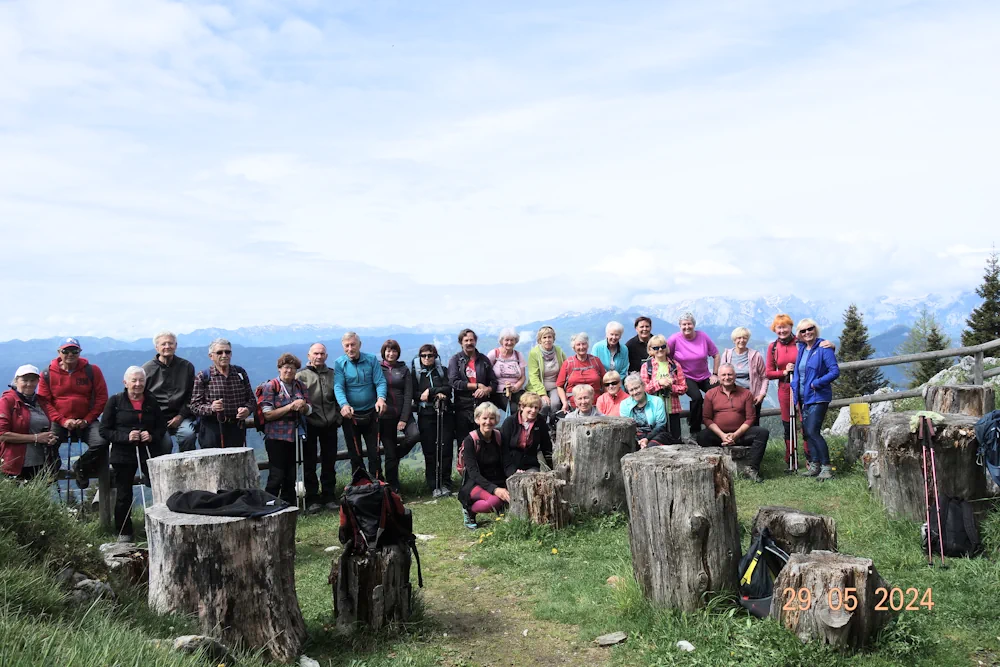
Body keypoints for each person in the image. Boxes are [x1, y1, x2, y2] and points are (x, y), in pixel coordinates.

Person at [99, 366, 166, 541]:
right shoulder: (115, 401)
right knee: (123, 494)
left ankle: (162, 526)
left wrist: (151, 436)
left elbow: (161, 427)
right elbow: (104, 430)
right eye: (134, 380)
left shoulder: (151, 401)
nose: (137, 384)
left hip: (148, 451)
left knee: (159, 488)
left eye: (141, 380)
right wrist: (126, 437)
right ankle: (124, 532)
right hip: (123, 453)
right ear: (125, 382)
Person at [37, 338, 109, 488]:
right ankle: (53, 470)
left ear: (80, 352)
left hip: (87, 420)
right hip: (59, 421)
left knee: (101, 442)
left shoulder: (92, 370)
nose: (70, 354)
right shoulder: (47, 373)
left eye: (74, 351)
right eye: (66, 351)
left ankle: (81, 466)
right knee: (48, 442)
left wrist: (87, 419)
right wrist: (62, 420)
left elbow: (102, 398)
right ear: (59, 352)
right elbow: (44, 402)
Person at [765, 315, 834, 466]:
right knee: (788, 424)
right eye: (778, 328)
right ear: (774, 329)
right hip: (785, 388)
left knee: (806, 424)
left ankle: (811, 458)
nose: (782, 330)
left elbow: (816, 347)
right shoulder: (773, 347)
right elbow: (768, 373)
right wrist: (783, 372)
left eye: (785, 327)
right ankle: (791, 459)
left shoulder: (800, 341)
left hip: (804, 388)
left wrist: (831, 346)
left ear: (791, 327)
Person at [695, 364, 769, 483]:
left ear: (735, 376)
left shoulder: (746, 393)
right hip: (719, 436)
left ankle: (752, 469)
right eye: (723, 375)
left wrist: (735, 435)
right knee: (702, 436)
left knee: (762, 433)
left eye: (730, 374)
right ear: (719, 377)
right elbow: (707, 419)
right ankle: (714, 468)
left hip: (741, 435)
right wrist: (722, 435)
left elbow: (750, 418)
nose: (727, 377)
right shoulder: (710, 394)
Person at [259, 354, 312, 505]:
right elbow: (268, 414)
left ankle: (288, 505)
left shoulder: (300, 386)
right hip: (275, 436)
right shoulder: (271, 386)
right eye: (286, 367)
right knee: (277, 474)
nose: (289, 371)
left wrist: (303, 406)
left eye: (293, 368)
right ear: (279, 369)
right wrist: (290, 407)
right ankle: (269, 504)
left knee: (291, 473)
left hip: (295, 435)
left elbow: (310, 410)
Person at [334, 332, 388, 478]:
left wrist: (381, 398)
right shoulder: (340, 363)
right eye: (347, 345)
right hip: (351, 415)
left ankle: (377, 483)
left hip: (372, 413)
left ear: (359, 345)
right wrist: (343, 404)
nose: (350, 348)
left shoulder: (371, 359)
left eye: (353, 344)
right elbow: (338, 386)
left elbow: (380, 381)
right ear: (343, 347)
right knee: (355, 454)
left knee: (374, 452)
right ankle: (360, 485)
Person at [792, 319, 840, 481]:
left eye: (810, 329)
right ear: (799, 334)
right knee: (808, 432)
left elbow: (834, 371)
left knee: (813, 431)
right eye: (803, 331)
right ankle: (815, 465)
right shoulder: (802, 349)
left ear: (815, 329)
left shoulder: (824, 348)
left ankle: (826, 467)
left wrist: (816, 383)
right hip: (804, 397)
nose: (807, 333)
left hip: (818, 396)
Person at [297, 343, 342, 512]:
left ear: (326, 356)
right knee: (309, 462)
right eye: (315, 353)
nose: (319, 356)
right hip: (310, 424)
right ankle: (312, 498)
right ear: (309, 355)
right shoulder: (301, 376)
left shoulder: (332, 374)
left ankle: (329, 495)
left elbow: (339, 396)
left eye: (322, 353)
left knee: (329, 461)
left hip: (330, 423)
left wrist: (337, 418)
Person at [188, 338, 256, 449]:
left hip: (236, 428)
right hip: (211, 428)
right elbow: (194, 406)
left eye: (227, 352)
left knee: (236, 458)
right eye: (219, 352)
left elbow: (251, 400)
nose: (224, 355)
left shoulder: (240, 373)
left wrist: (247, 410)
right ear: (211, 356)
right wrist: (211, 408)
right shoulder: (203, 376)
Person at [457, 402, 510, 530]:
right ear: (477, 420)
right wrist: (495, 490)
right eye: (484, 418)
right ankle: (469, 510)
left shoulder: (499, 437)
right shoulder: (470, 440)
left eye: (492, 418)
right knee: (495, 501)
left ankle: (501, 508)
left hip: (497, 479)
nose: (488, 422)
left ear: (496, 420)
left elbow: (507, 463)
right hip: (475, 483)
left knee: (511, 497)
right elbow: (473, 473)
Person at [142, 331, 197, 453]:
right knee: (164, 444)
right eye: (163, 344)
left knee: (188, 435)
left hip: (182, 415)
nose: (167, 346)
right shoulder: (146, 370)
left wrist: (181, 416)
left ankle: (187, 463)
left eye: (170, 343)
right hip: (157, 418)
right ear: (156, 347)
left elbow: (192, 395)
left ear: (176, 346)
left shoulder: (186, 367)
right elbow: (143, 399)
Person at [1, 365, 58, 481]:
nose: (29, 384)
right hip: (15, 464)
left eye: (33, 380)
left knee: (38, 493)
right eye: (24, 380)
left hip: (41, 463)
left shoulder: (41, 401)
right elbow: (2, 434)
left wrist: (49, 437)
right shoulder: (7, 401)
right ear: (16, 381)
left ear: (38, 381)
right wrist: (36, 438)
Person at [412, 344, 455, 496]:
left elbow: (449, 389)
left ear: (435, 356)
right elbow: (414, 394)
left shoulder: (442, 370)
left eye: (430, 355)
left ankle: (446, 482)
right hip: (426, 415)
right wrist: (436, 393)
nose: (426, 358)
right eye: (423, 355)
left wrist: (430, 391)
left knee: (446, 449)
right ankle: (433, 485)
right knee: (429, 451)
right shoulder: (416, 374)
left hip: (445, 413)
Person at [666, 313, 719, 435]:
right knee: (697, 398)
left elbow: (716, 354)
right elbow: (666, 357)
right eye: (684, 324)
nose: (687, 327)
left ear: (694, 325)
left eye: (689, 324)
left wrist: (715, 374)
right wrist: (673, 374)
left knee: (718, 393)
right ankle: (695, 430)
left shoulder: (703, 336)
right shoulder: (674, 339)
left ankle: (718, 425)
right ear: (680, 326)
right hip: (686, 376)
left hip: (704, 375)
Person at [447, 329, 497, 445]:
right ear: (461, 342)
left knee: (483, 441)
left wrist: (486, 390)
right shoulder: (456, 360)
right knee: (464, 442)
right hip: (462, 407)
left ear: (475, 341)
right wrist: (477, 386)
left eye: (471, 340)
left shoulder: (483, 360)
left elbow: (494, 382)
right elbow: (454, 382)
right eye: (466, 340)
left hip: (482, 407)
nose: (469, 343)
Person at [379, 339, 414, 493]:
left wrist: (404, 419)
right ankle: (393, 487)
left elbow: (408, 395)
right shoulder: (378, 368)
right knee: (389, 452)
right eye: (388, 350)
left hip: (402, 413)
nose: (391, 353)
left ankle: (396, 455)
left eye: (394, 351)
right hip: (385, 416)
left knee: (415, 435)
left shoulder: (404, 369)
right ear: (384, 352)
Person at [639, 334, 686, 439]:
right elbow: (644, 389)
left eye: (663, 346)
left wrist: (670, 387)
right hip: (654, 411)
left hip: (672, 409)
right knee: (657, 439)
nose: (660, 349)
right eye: (656, 348)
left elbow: (683, 388)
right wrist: (659, 383)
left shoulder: (675, 365)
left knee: (675, 438)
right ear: (650, 350)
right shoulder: (646, 367)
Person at [721, 327, 768, 426]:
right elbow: (721, 375)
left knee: (753, 426)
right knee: (734, 424)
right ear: (734, 340)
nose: (741, 340)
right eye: (739, 338)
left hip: (752, 397)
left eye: (744, 338)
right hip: (732, 397)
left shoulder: (756, 356)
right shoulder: (727, 355)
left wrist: (761, 394)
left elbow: (764, 377)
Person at [498, 392, 553, 475]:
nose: (533, 411)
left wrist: (551, 467)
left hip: (530, 464)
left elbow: (546, 446)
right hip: (511, 464)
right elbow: (503, 449)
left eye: (536, 408)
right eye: (530, 407)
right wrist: (511, 470)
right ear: (522, 407)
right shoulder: (510, 422)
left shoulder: (540, 422)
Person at [525, 325, 566, 426]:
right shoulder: (534, 353)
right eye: (544, 337)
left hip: (555, 385)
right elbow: (533, 376)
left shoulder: (559, 351)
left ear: (553, 338)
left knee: (555, 404)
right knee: (543, 405)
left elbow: (565, 367)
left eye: (549, 337)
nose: (547, 340)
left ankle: (553, 425)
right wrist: (542, 394)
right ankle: (539, 426)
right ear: (540, 340)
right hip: (537, 387)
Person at [556, 333, 606, 412]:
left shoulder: (596, 361)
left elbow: (605, 381)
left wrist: (605, 399)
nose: (581, 347)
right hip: (574, 405)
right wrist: (564, 402)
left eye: (584, 344)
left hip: (596, 404)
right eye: (578, 345)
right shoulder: (568, 363)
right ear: (574, 347)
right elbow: (559, 386)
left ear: (587, 345)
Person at [620, 373, 671, 448]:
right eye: (631, 390)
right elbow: (626, 428)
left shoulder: (657, 401)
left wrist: (647, 439)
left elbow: (660, 425)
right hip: (635, 436)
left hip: (654, 434)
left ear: (643, 386)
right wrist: (639, 441)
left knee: (653, 445)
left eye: (637, 388)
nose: (635, 392)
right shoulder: (624, 404)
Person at [486, 329, 527, 413]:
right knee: (516, 410)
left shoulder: (518, 355)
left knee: (529, 406)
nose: (509, 342)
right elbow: (485, 372)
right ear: (501, 341)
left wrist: (516, 387)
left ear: (515, 341)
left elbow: (523, 377)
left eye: (512, 340)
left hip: (517, 390)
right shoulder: (494, 354)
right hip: (499, 392)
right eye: (506, 340)